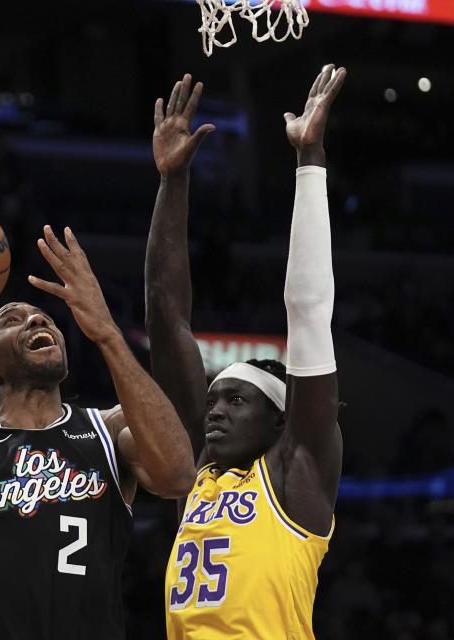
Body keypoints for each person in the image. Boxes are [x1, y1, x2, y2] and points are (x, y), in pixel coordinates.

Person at [0, 224, 196, 639]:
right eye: (12, 321)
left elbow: (178, 475)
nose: (35, 319)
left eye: (42, 318)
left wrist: (106, 332)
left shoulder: (108, 429)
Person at [144, 66, 346, 638]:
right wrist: (172, 181)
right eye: (215, 399)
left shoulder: (296, 475)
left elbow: (307, 312)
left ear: (281, 421)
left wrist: (309, 162)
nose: (215, 410)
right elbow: (165, 314)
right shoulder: (198, 472)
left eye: (236, 401)